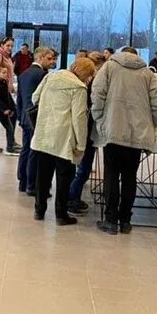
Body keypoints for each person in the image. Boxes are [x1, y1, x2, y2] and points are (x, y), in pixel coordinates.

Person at [91, 46, 157, 235]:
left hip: (113, 129)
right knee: (130, 177)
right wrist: (151, 124)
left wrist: (100, 118)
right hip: (137, 134)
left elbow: (97, 93)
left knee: (111, 175)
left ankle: (110, 220)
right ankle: (125, 221)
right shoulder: (149, 74)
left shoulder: (109, 67)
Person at [31, 57, 96, 225]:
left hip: (44, 132)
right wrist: (81, 144)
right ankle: (61, 214)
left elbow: (35, 98)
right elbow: (79, 118)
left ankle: (39, 210)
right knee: (64, 178)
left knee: (42, 176)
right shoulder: (79, 88)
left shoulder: (50, 77)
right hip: (64, 138)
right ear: (85, 74)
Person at [67, 51, 107, 214]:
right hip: (87, 131)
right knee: (83, 168)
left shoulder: (81, 83)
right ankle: (72, 198)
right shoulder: (89, 86)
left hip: (82, 130)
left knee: (80, 167)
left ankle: (71, 197)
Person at [16, 46, 56, 194]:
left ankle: (23, 181)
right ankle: (32, 184)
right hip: (37, 117)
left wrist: (20, 116)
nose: (52, 61)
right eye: (49, 58)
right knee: (36, 151)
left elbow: (19, 99)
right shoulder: (43, 75)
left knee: (26, 149)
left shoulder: (23, 74)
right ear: (40, 58)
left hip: (25, 116)